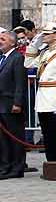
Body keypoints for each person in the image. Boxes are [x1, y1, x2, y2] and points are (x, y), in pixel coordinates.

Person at [32, 20, 56, 163]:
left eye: (47, 34)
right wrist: (33, 46)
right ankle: (51, 164)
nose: (43, 36)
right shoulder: (44, 53)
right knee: (48, 135)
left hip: (54, 97)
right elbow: (28, 64)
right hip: (43, 97)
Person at [0, 29, 25, 178]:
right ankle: (5, 166)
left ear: (12, 42)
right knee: (3, 140)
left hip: (11, 104)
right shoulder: (2, 58)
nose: (0, 42)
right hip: (1, 104)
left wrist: (18, 103)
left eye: (3, 39)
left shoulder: (17, 58)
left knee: (15, 138)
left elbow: (20, 83)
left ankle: (17, 167)